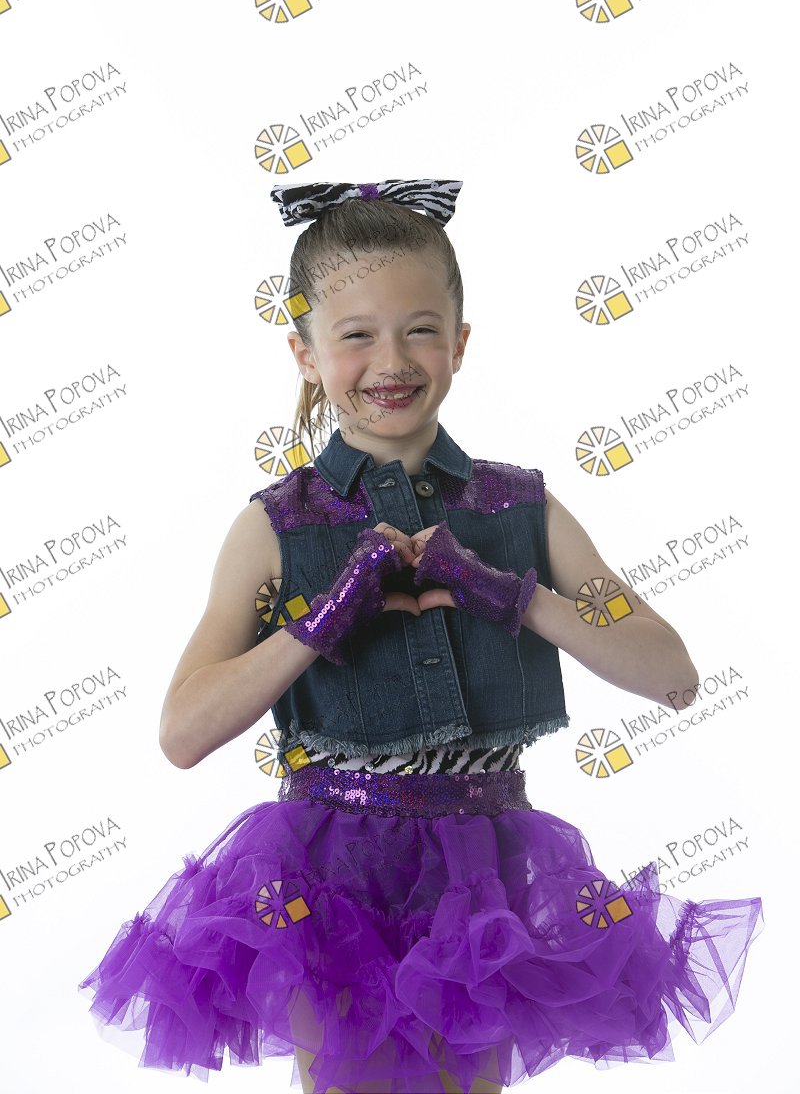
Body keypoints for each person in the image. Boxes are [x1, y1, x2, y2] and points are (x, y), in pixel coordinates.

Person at [78, 179, 764, 1094]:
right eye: (356, 334)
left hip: (485, 878)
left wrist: (509, 594)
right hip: (326, 879)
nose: (392, 360)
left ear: (461, 344)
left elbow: (671, 675)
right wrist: (320, 622)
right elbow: (183, 733)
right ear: (305, 353)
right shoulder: (275, 527)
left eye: (421, 330)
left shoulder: (521, 508)